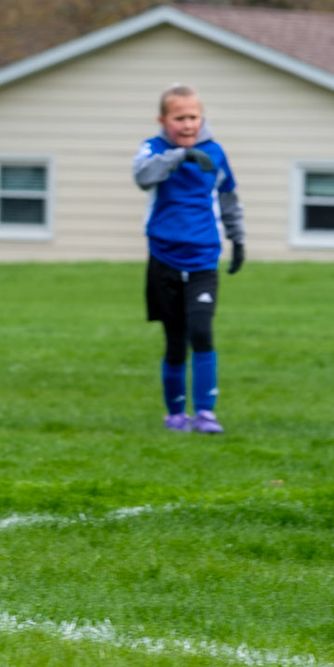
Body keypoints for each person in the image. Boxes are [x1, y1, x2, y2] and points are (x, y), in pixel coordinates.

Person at [133, 83, 244, 434]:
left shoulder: (215, 153)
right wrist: (178, 157)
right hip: (164, 258)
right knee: (176, 339)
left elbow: (228, 198)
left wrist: (237, 239)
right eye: (179, 118)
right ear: (163, 120)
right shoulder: (152, 150)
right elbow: (142, 176)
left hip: (203, 259)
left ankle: (206, 414)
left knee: (201, 331)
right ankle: (176, 415)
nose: (187, 125)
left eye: (193, 117)